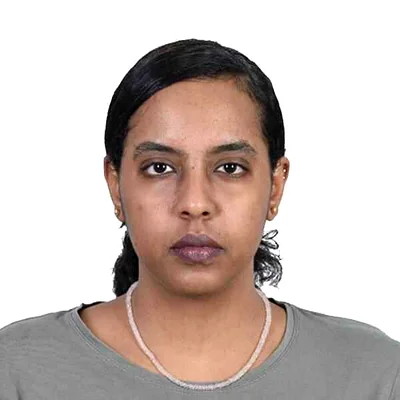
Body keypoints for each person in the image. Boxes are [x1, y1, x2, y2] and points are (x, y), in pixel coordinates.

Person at [1, 38, 399, 399]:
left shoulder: (375, 376)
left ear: (275, 186)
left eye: (230, 168)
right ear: (115, 185)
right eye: (159, 168)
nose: (194, 203)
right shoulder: (17, 371)